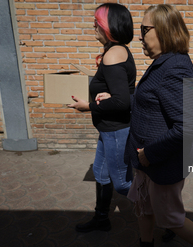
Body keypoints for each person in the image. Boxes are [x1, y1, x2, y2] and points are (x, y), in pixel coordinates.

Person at [114, 4, 193, 247]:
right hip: (147, 160)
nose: (140, 36)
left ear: (164, 30)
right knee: (144, 207)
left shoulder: (174, 68)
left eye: (145, 29)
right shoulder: (164, 62)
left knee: (170, 218)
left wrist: (150, 154)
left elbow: (187, 127)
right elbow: (150, 102)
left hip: (161, 162)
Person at [68, 3, 136, 232]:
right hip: (108, 130)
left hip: (116, 130)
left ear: (108, 26)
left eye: (96, 22)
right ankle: (101, 219)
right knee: (100, 173)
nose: (93, 26)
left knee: (123, 183)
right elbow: (123, 93)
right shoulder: (115, 51)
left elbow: (121, 102)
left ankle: (167, 217)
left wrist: (87, 106)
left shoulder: (114, 54)